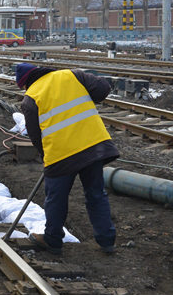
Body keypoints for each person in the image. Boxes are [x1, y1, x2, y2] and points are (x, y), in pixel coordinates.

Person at [16, 63, 118, 255]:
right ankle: (107, 241)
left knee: (56, 198)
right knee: (96, 194)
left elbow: (35, 135)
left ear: (25, 83)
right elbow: (103, 88)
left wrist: (46, 156)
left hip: (60, 155)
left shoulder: (30, 98)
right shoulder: (72, 75)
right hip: (93, 145)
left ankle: (53, 241)